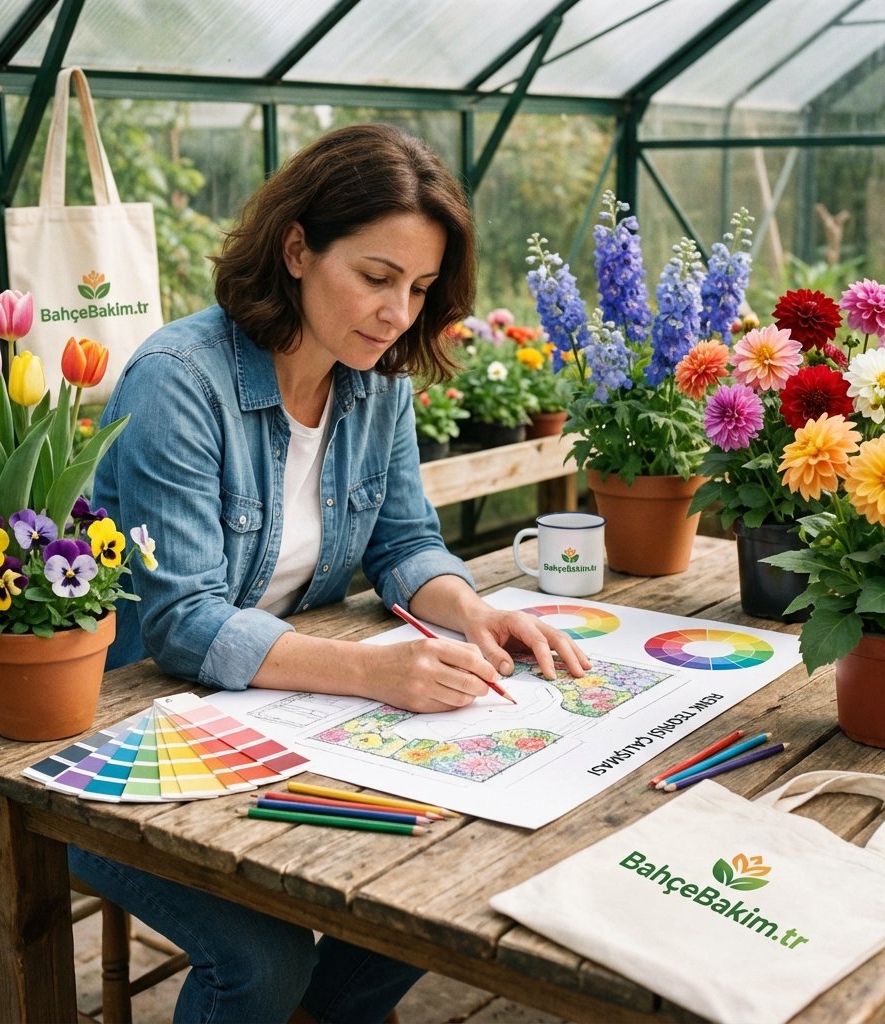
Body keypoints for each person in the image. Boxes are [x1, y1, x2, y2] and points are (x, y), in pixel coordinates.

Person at [70, 122, 590, 1024]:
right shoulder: (179, 378)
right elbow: (185, 621)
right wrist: (371, 671)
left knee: (440, 876)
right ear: (298, 248)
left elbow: (403, 544)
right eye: (378, 277)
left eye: (421, 289)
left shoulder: (377, 378)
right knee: (263, 961)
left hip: (288, 714)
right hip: (125, 743)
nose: (399, 314)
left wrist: (468, 610)